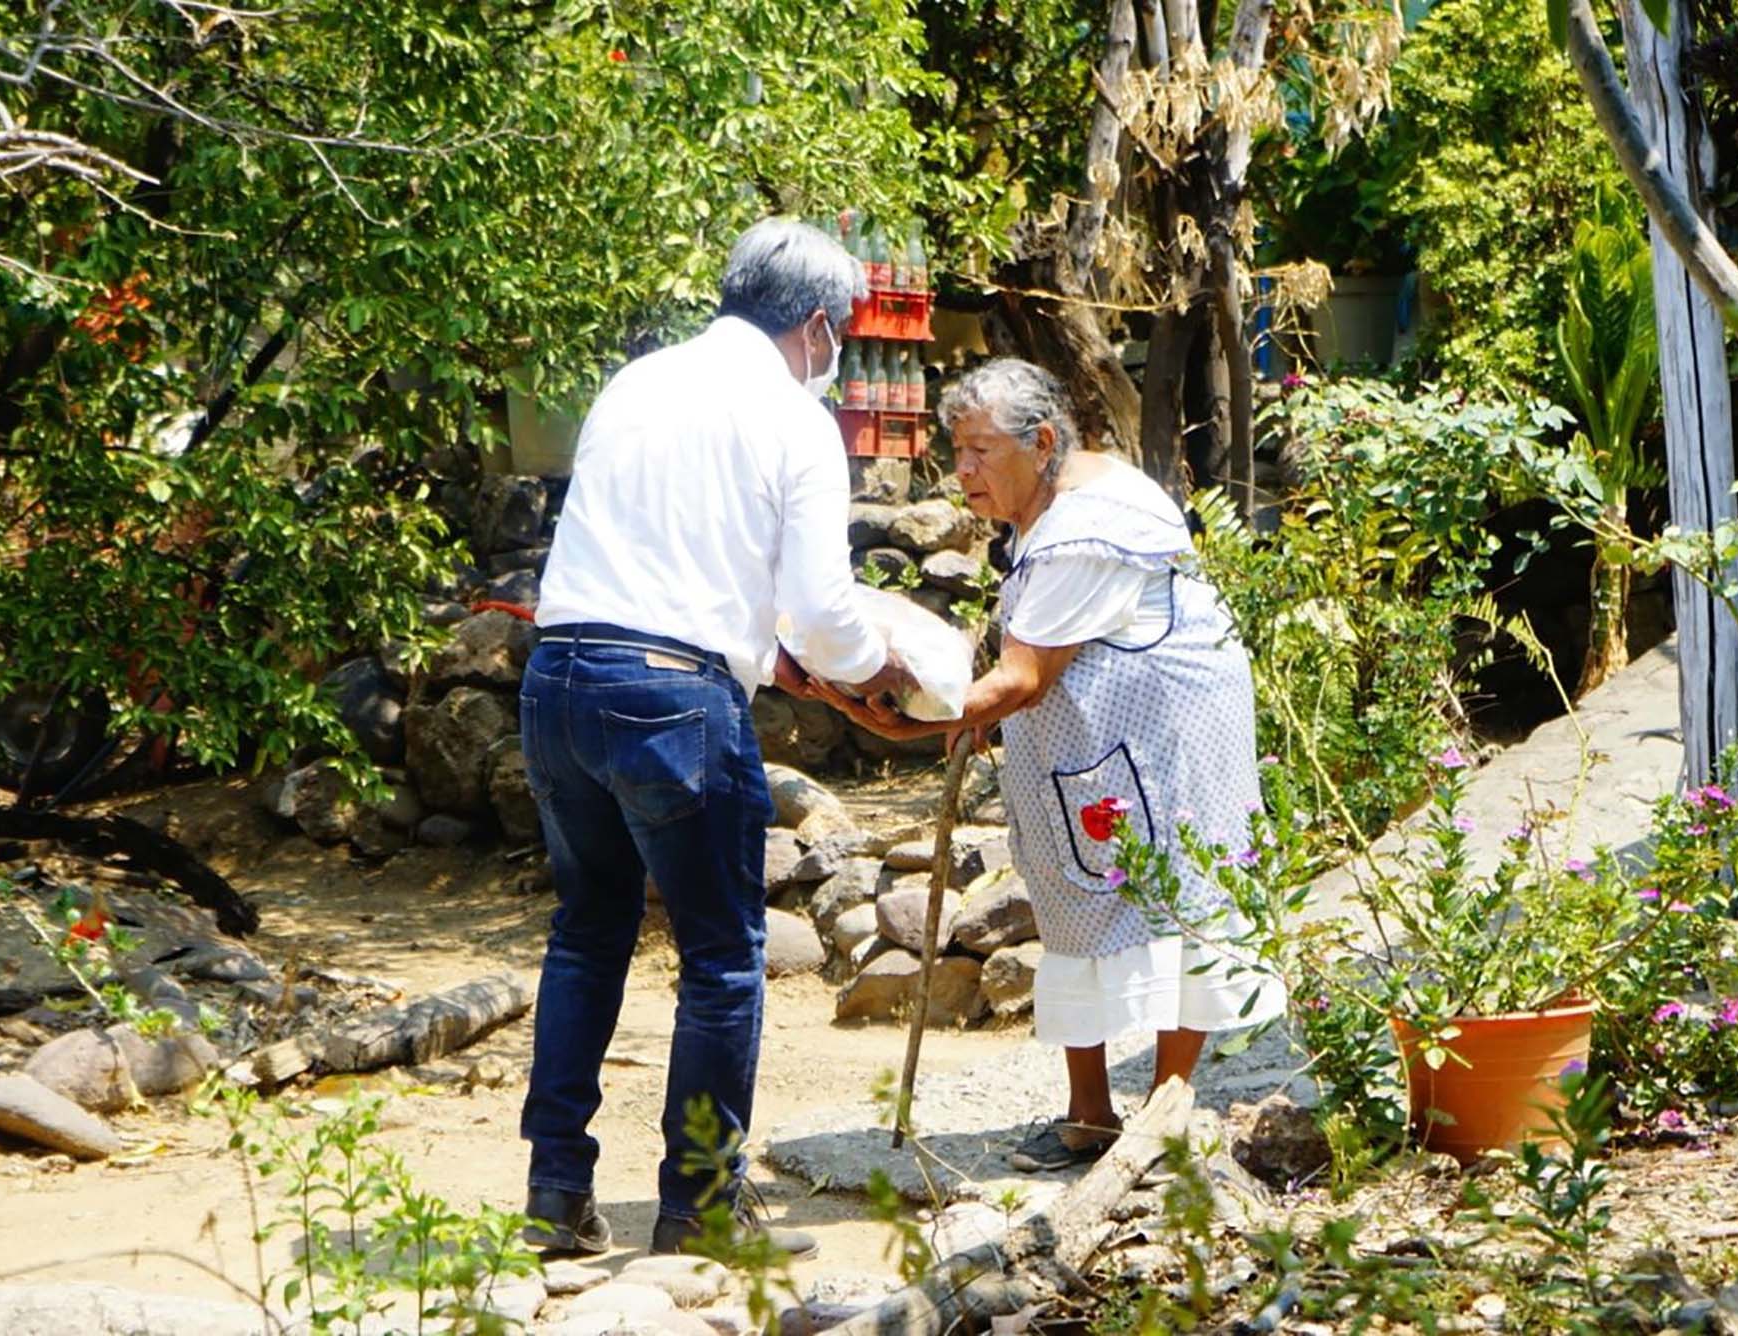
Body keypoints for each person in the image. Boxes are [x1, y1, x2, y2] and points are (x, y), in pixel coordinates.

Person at [518, 218, 917, 1257]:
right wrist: (880, 671)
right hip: (669, 699)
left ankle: (554, 1190)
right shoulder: (792, 419)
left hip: (559, 677)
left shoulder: (636, 382)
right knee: (724, 957)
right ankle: (696, 1205)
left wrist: (766, 653)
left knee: (588, 930)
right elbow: (827, 612)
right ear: (820, 330)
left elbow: (672, 561)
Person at [821, 358, 1285, 1173]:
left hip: (1166, 737)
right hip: (1099, 737)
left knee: (1184, 897)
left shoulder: (1086, 525)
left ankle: (1164, 1115)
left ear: (1041, 443)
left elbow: (1025, 676)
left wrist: (917, 720)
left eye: (978, 452)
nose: (962, 471)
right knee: (1075, 901)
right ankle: (1089, 1115)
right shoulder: (1054, 497)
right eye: (955, 451)